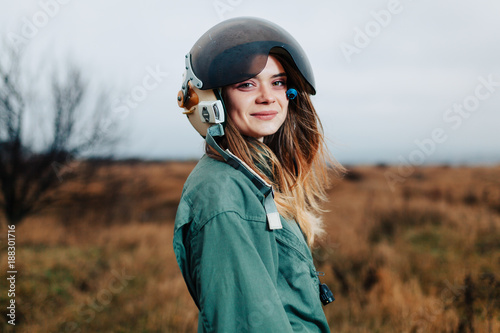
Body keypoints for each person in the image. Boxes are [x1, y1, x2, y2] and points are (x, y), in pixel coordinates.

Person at [173, 17, 342, 332]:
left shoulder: (255, 179)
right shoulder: (223, 194)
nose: (268, 96)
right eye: (246, 83)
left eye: (277, 82)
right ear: (212, 99)